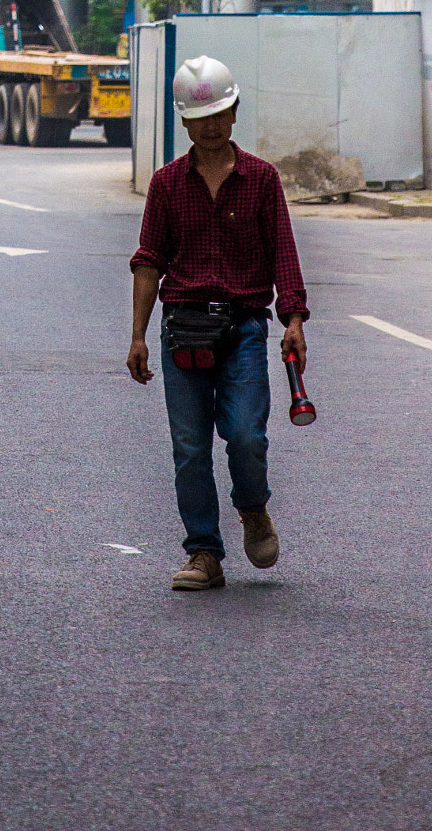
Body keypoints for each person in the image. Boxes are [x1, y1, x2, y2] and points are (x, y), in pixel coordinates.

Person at [127, 53, 309, 592]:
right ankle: (204, 552)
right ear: (184, 122)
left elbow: (284, 253)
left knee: (247, 436)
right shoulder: (165, 184)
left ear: (235, 115)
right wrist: (137, 335)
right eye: (200, 118)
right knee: (190, 449)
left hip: (246, 331)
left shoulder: (261, 179)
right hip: (182, 330)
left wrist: (294, 319)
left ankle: (253, 508)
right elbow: (148, 261)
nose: (211, 127)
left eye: (220, 115)